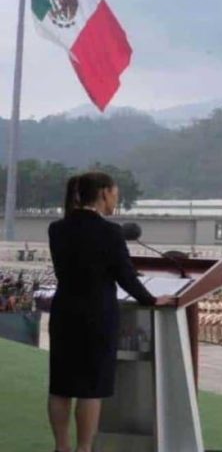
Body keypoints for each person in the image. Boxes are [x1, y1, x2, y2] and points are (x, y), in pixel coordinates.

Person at [47, 173, 175, 452]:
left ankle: (60, 447)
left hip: (64, 311)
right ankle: (84, 448)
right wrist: (152, 299)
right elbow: (125, 277)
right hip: (97, 314)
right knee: (90, 388)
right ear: (104, 193)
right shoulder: (110, 232)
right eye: (116, 194)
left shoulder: (56, 228)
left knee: (61, 385)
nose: (116, 200)